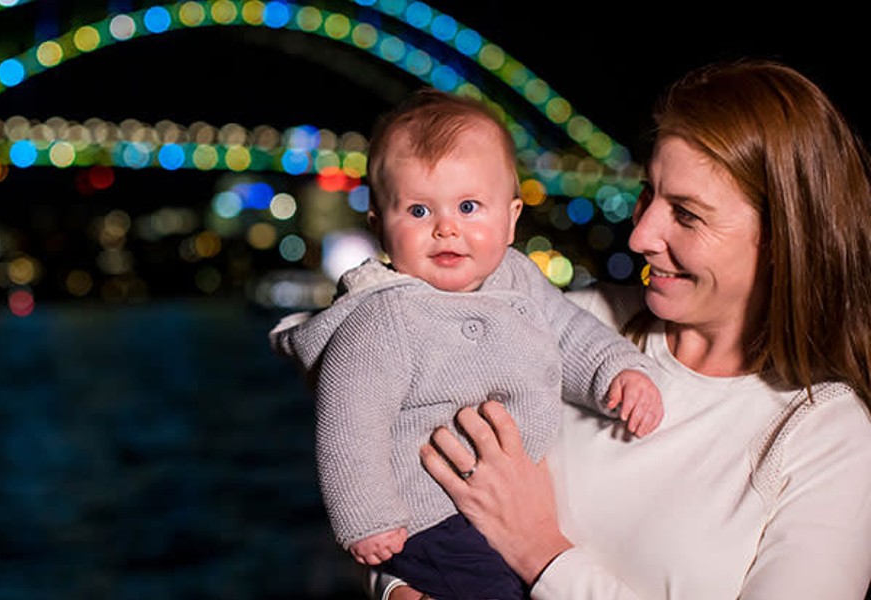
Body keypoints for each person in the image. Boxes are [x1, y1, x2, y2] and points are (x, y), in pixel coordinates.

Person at [375, 58, 871, 599]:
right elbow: (407, 458)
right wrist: (394, 586)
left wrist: (542, 554)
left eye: (686, 214)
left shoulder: (827, 437)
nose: (640, 236)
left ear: (782, 238)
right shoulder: (571, 324)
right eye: (647, 195)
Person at [270, 89, 663, 600]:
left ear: (512, 217)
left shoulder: (517, 277)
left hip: (504, 510)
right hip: (434, 516)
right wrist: (367, 518)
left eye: (470, 206)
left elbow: (569, 332)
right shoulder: (384, 317)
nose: (446, 228)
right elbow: (349, 420)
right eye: (417, 211)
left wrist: (617, 372)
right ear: (378, 227)